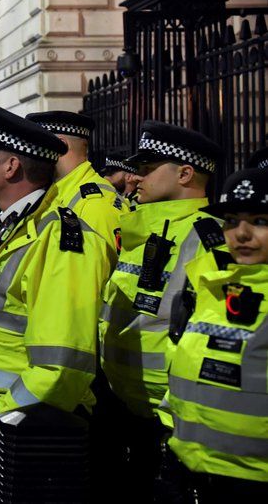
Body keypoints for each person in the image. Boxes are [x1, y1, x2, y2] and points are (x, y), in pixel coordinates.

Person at [0, 106, 114, 504]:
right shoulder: (20, 221)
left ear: (12, 166)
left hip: (22, 416)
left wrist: (6, 413)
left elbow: (63, 356)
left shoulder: (59, 234)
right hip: (1, 409)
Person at [95, 121, 225, 502]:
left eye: (149, 167)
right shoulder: (142, 227)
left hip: (167, 415)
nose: (136, 177)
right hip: (122, 400)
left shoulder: (210, 237)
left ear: (185, 173)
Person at [166, 167, 268, 499]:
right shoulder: (212, 286)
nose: (242, 234)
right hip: (194, 471)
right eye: (231, 221)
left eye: (260, 221)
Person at [26, 110, 127, 245]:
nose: (31, 154)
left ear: (60, 145)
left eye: (37, 147)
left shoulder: (95, 205)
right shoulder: (59, 191)